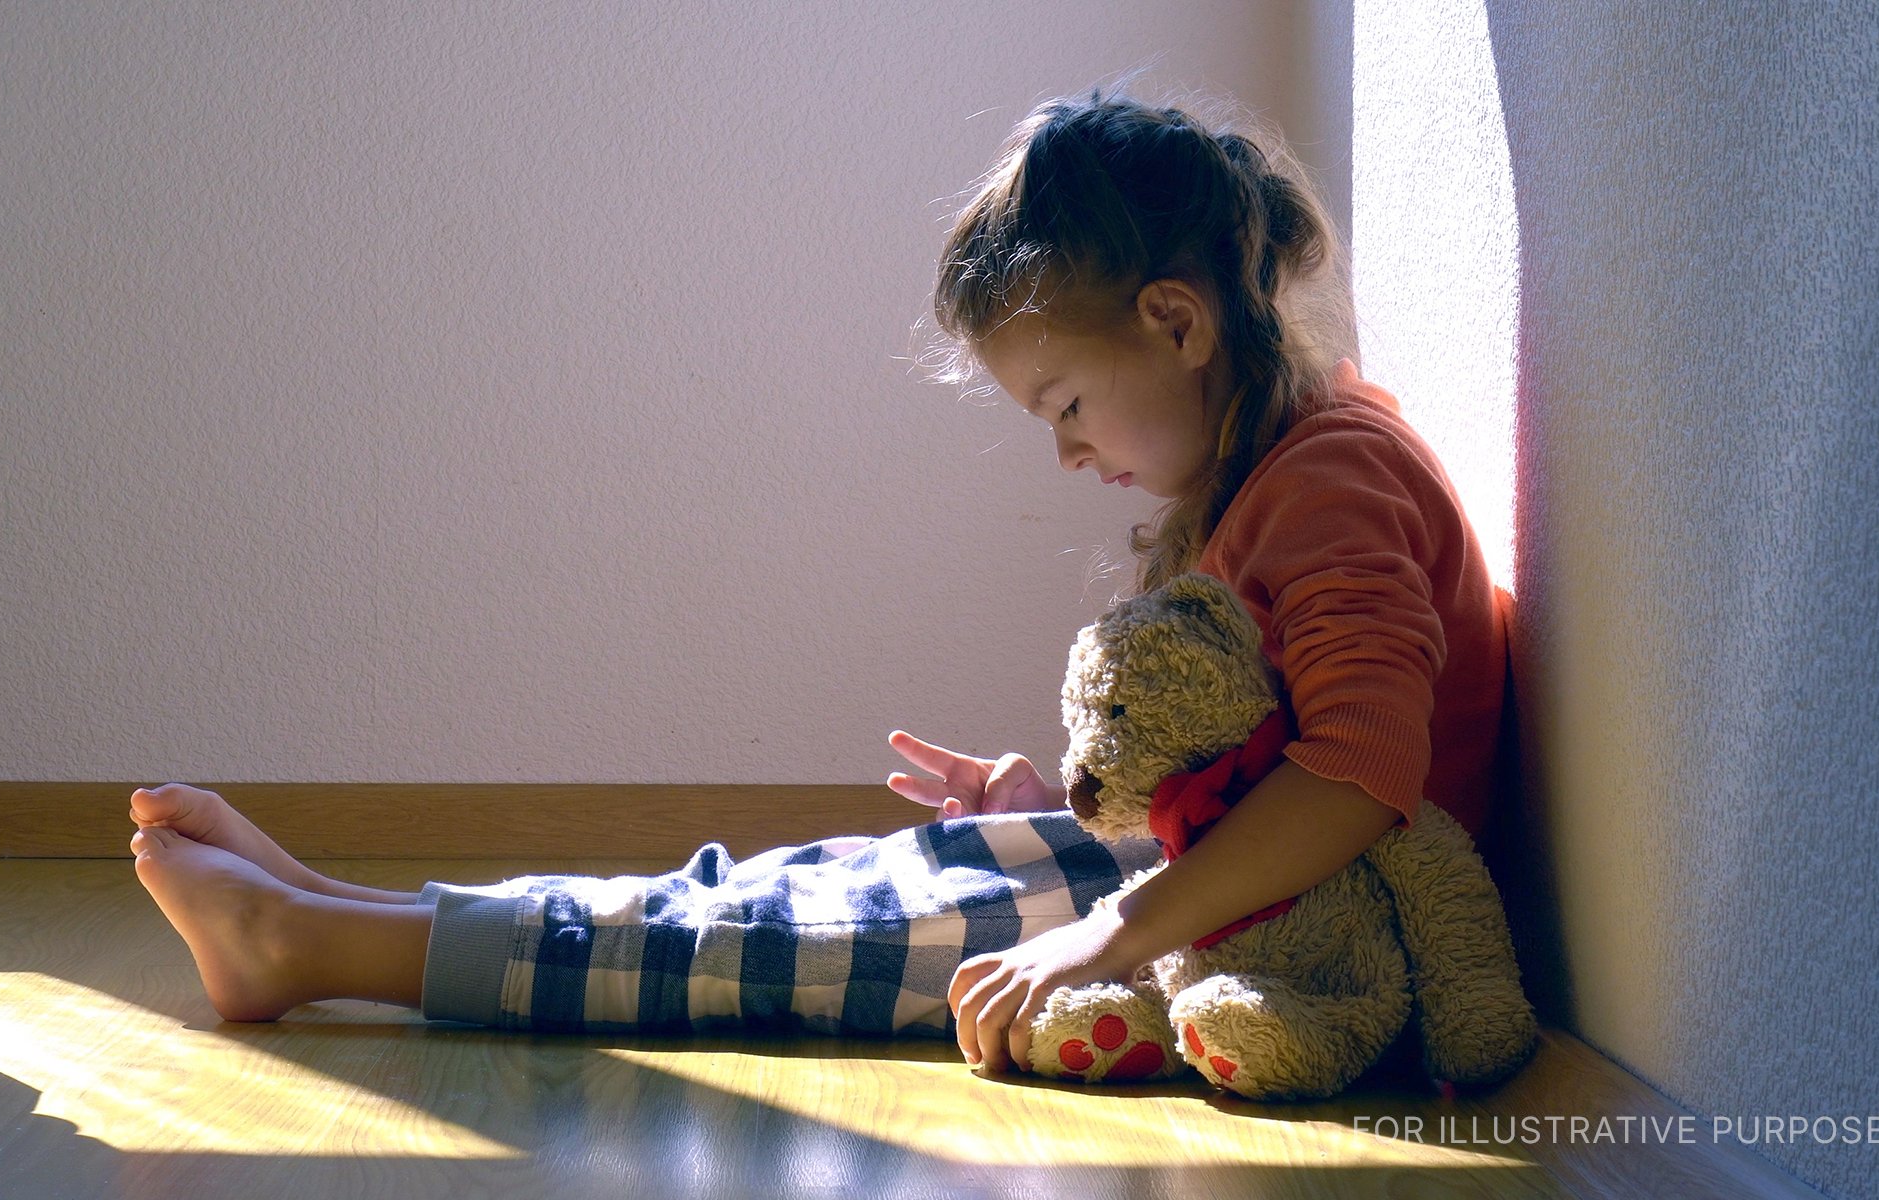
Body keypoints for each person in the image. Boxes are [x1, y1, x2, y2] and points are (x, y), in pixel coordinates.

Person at [127, 86, 1510, 1083]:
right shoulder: (1286, 475)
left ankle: (321, 949)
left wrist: (1105, 924)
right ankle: (367, 918)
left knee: (781, 945)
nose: (1069, 447)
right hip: (1204, 880)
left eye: (1068, 402)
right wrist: (1061, 804)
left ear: (1177, 321)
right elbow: (1263, 757)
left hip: (1309, 939)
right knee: (773, 892)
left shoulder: (1329, 484)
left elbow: (1359, 774)